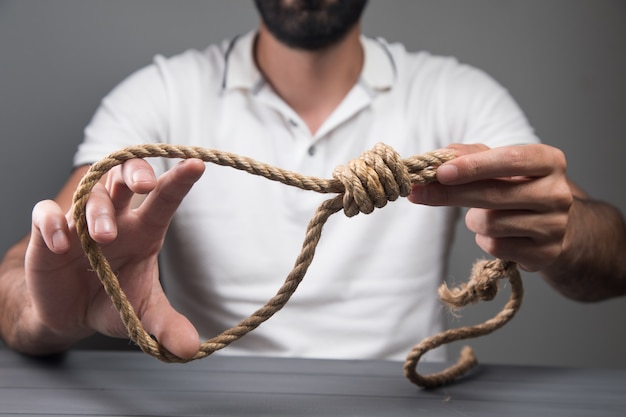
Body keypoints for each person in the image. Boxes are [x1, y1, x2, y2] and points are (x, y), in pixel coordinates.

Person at [1, 0, 625, 362]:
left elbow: (612, 255)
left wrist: (561, 233)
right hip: (212, 399)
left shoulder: (456, 93)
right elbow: (20, 277)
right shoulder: (160, 95)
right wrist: (49, 312)